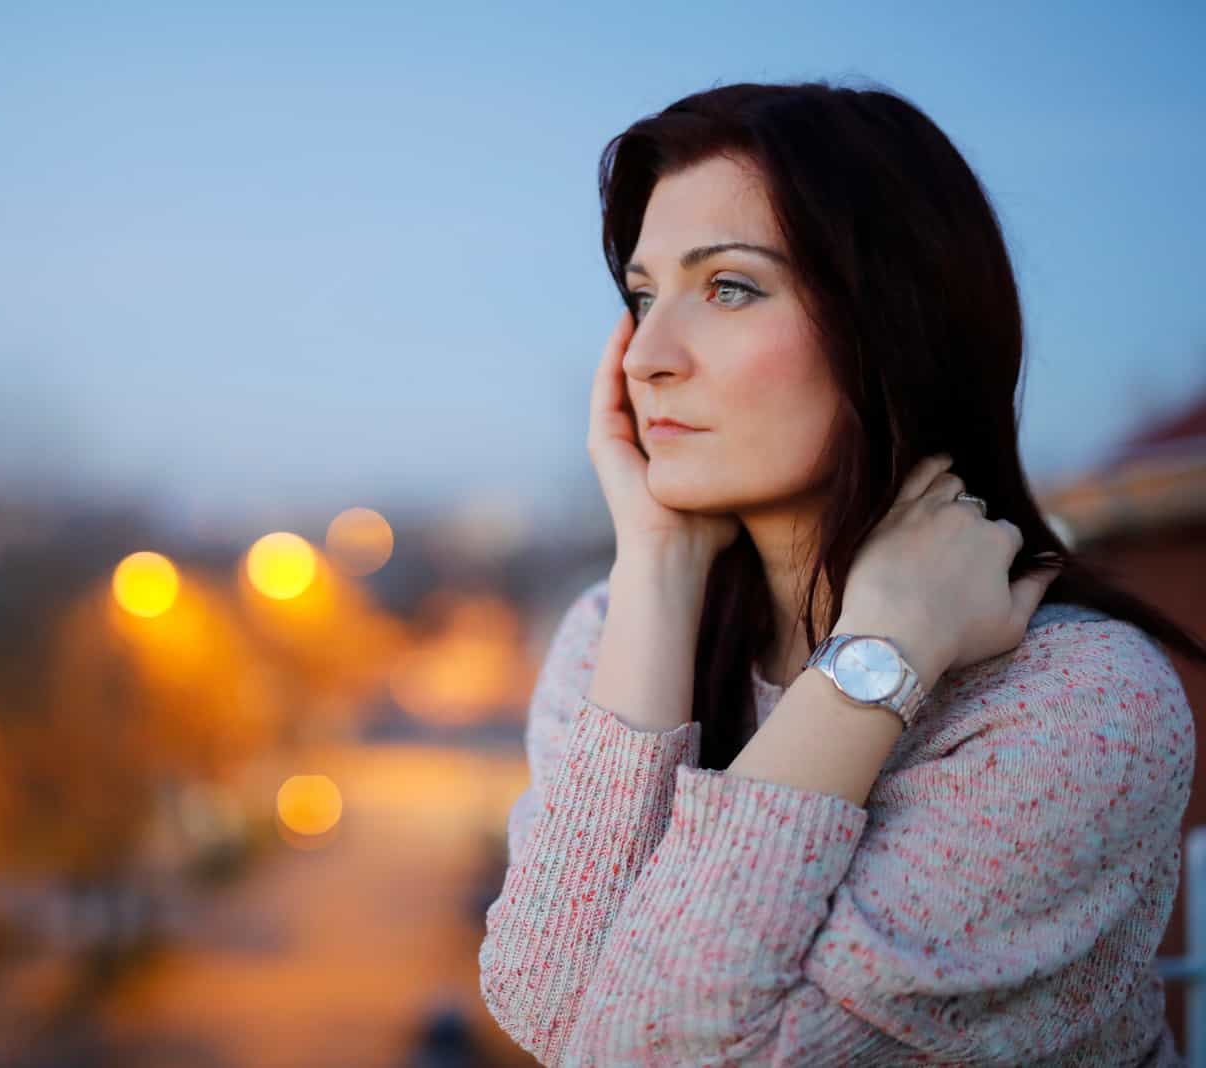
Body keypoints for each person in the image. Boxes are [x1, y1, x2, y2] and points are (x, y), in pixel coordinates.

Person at [477, 79, 1206, 1067]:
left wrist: (882, 659)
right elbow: (539, 1000)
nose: (646, 354)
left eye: (727, 287)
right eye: (641, 297)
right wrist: (654, 564)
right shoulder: (612, 639)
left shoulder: (1082, 706)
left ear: (891, 326)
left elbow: (641, 1054)